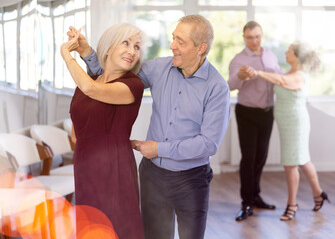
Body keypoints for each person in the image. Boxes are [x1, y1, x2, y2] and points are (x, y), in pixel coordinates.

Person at [69, 15, 230, 239]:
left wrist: (159, 149)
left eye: (180, 42)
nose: (172, 45)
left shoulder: (217, 87)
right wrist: (87, 53)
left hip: (191, 180)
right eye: (173, 38)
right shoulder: (159, 68)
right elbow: (114, 76)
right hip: (152, 176)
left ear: (200, 48)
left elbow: (208, 143)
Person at [61, 23, 145, 238]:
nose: (132, 51)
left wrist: (67, 55)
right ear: (108, 48)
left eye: (136, 46)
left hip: (113, 167)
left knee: (115, 226)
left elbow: (91, 90)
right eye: (125, 43)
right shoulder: (89, 80)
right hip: (85, 165)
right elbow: (75, 132)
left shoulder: (133, 84)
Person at [241, 41, 329, 221]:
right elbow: (279, 78)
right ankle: (319, 194)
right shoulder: (288, 71)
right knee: (303, 160)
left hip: (295, 124)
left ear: (296, 56)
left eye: (289, 50)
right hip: (287, 123)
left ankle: (292, 204)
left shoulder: (299, 76)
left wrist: (257, 72)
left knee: (291, 163)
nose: (286, 52)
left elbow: (281, 81)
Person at [228, 21, 281, 221]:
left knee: (261, 157)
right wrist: (241, 75)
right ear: (244, 37)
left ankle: (256, 196)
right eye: (250, 37)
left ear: (262, 35)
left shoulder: (270, 54)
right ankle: (246, 202)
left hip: (268, 111)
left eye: (257, 36)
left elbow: (279, 76)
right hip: (247, 112)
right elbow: (231, 84)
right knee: (249, 159)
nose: (254, 40)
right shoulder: (238, 59)